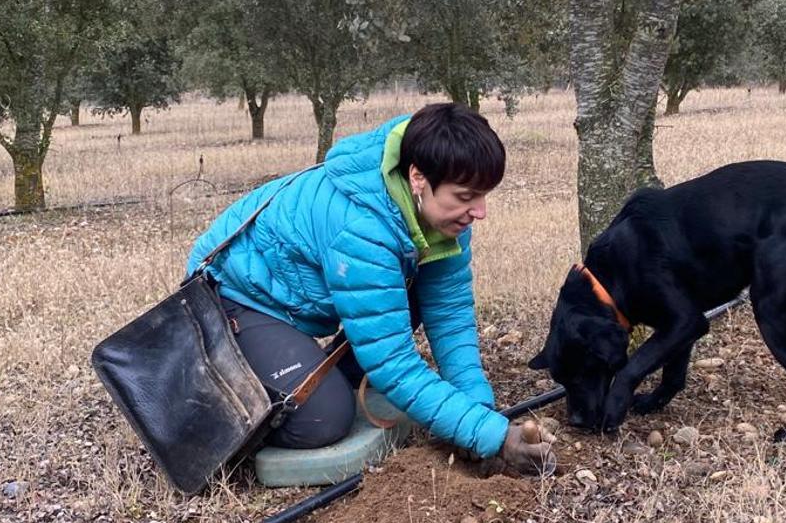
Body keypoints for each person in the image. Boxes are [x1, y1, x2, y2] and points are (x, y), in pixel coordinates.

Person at [187, 103, 554, 475]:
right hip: (233, 298)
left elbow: (449, 312)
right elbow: (392, 364)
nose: (480, 211)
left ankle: (314, 375)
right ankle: (236, 399)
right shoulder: (361, 227)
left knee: (412, 297)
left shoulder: (442, 215)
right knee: (321, 420)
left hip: (299, 302)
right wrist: (493, 437)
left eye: (483, 195)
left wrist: (480, 412)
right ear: (418, 178)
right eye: (465, 196)